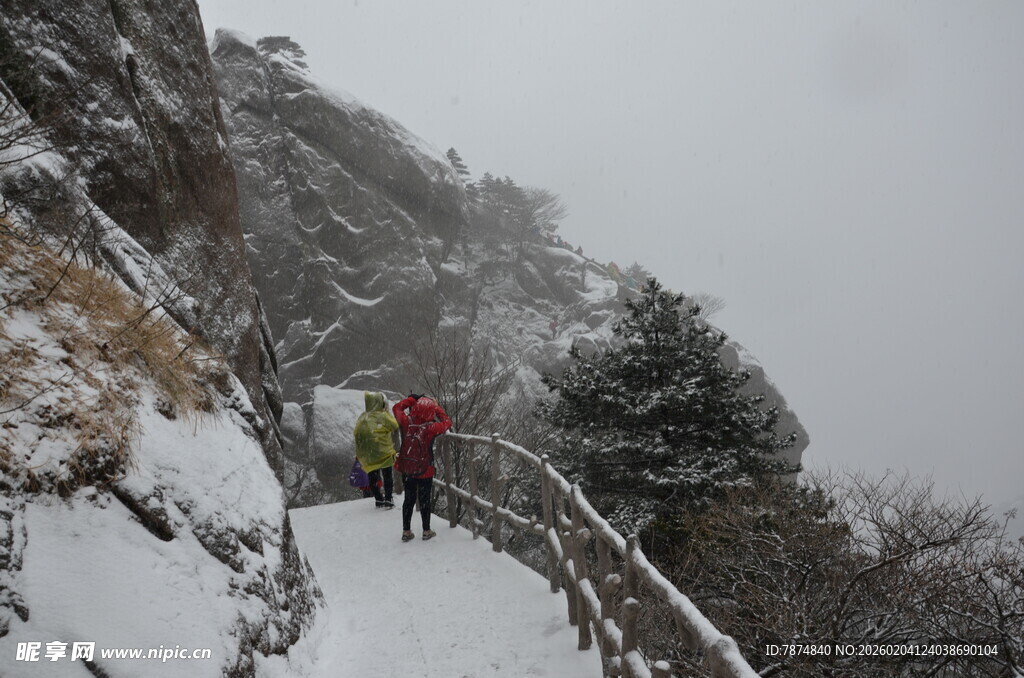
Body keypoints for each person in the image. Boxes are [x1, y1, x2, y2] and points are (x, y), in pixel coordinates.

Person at [392, 393, 451, 541]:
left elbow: (396, 408)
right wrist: (437, 408)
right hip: (425, 469)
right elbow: (447, 422)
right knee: (425, 500)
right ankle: (426, 530)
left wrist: (411, 399)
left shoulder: (406, 422)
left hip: (409, 467)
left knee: (409, 500)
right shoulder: (430, 428)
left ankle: (406, 531)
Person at [353, 392, 398, 509]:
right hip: (383, 451)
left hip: (368, 453)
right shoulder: (382, 415)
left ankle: (378, 499)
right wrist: (387, 412)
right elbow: (394, 425)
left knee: (372, 475)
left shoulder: (363, 416)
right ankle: (388, 499)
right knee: (387, 475)